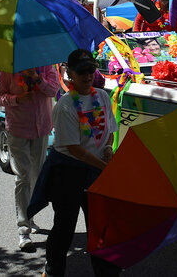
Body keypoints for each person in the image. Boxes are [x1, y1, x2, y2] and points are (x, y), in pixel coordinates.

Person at [29, 49, 120, 277]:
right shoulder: (65, 106)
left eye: (91, 70)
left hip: (96, 170)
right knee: (64, 226)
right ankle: (53, 270)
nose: (87, 76)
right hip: (68, 172)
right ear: (69, 73)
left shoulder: (103, 96)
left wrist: (108, 147)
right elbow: (74, 149)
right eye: (81, 72)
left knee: (101, 227)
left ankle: (107, 272)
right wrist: (104, 167)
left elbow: (110, 130)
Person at [0, 65, 59, 250]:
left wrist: (38, 79)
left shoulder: (47, 66)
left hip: (41, 127)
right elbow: (0, 96)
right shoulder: (8, 67)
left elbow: (54, 90)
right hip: (18, 127)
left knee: (36, 176)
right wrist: (18, 99)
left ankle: (30, 218)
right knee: (23, 177)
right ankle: (23, 229)